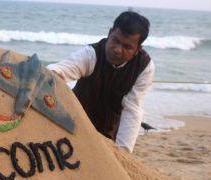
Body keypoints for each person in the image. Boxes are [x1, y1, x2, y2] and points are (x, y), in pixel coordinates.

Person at [47, 11, 154, 152]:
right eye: (115, 40)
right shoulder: (91, 54)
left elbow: (132, 109)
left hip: (108, 135)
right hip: (73, 125)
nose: (117, 50)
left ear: (137, 49)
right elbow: (61, 71)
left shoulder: (144, 67)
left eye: (127, 47)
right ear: (109, 33)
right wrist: (45, 75)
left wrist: (122, 152)